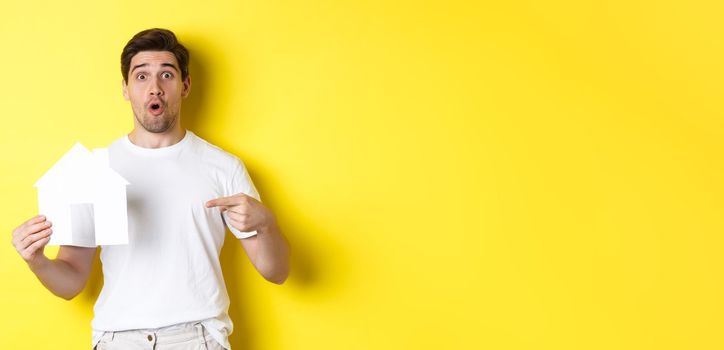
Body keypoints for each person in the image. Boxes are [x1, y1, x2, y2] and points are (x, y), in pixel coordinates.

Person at [10, 28, 290, 350]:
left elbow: (276, 272)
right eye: (141, 77)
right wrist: (37, 260)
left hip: (198, 338)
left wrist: (266, 224)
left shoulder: (224, 167)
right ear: (126, 89)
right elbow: (71, 279)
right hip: (118, 339)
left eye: (166, 75)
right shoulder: (94, 170)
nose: (154, 88)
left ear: (184, 86)